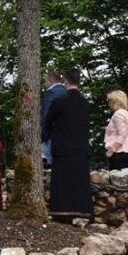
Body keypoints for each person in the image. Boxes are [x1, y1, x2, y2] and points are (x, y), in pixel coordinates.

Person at [43, 68, 92, 223]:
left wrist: (47, 136)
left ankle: (62, 212)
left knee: (62, 182)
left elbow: (47, 122)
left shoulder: (59, 100)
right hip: (80, 148)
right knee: (80, 181)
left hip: (63, 146)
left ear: (65, 80)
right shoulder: (85, 102)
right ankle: (83, 212)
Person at [104, 89, 128, 170]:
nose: (109, 103)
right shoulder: (126, 113)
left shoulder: (118, 114)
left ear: (115, 101)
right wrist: (108, 128)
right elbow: (125, 129)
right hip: (126, 150)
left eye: (110, 101)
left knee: (116, 176)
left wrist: (112, 150)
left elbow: (122, 134)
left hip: (118, 151)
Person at [41, 71, 66, 167]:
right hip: (65, 135)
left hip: (51, 136)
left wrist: (44, 135)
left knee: (51, 166)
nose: (44, 83)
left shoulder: (51, 93)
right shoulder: (66, 91)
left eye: (45, 81)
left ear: (51, 79)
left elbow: (46, 116)